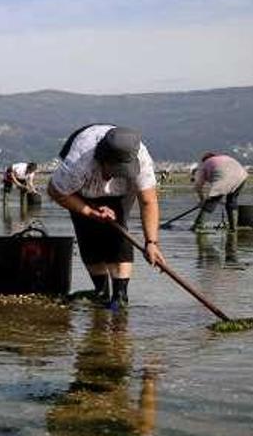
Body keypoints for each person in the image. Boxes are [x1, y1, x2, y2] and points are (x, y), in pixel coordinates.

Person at [47, 124, 165, 309]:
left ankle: (120, 295)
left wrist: (151, 242)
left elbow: (148, 201)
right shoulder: (79, 161)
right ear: (101, 160)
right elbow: (55, 192)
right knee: (87, 230)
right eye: (113, 171)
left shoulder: (141, 159)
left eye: (121, 172)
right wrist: (90, 211)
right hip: (81, 190)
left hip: (120, 194)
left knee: (118, 231)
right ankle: (100, 290)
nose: (113, 177)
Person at [191, 152, 248, 232]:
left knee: (211, 202)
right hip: (242, 176)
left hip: (224, 176)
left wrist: (202, 200)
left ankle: (198, 226)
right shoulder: (223, 158)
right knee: (232, 201)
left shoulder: (205, 165)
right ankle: (233, 228)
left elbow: (198, 186)